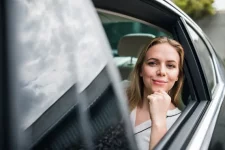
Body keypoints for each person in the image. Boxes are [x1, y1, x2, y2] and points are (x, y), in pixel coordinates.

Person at [127, 36, 184, 150]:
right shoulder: (119, 91)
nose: (162, 72)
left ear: (178, 75)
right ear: (140, 70)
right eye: (152, 63)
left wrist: (159, 123)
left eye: (170, 66)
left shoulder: (180, 123)